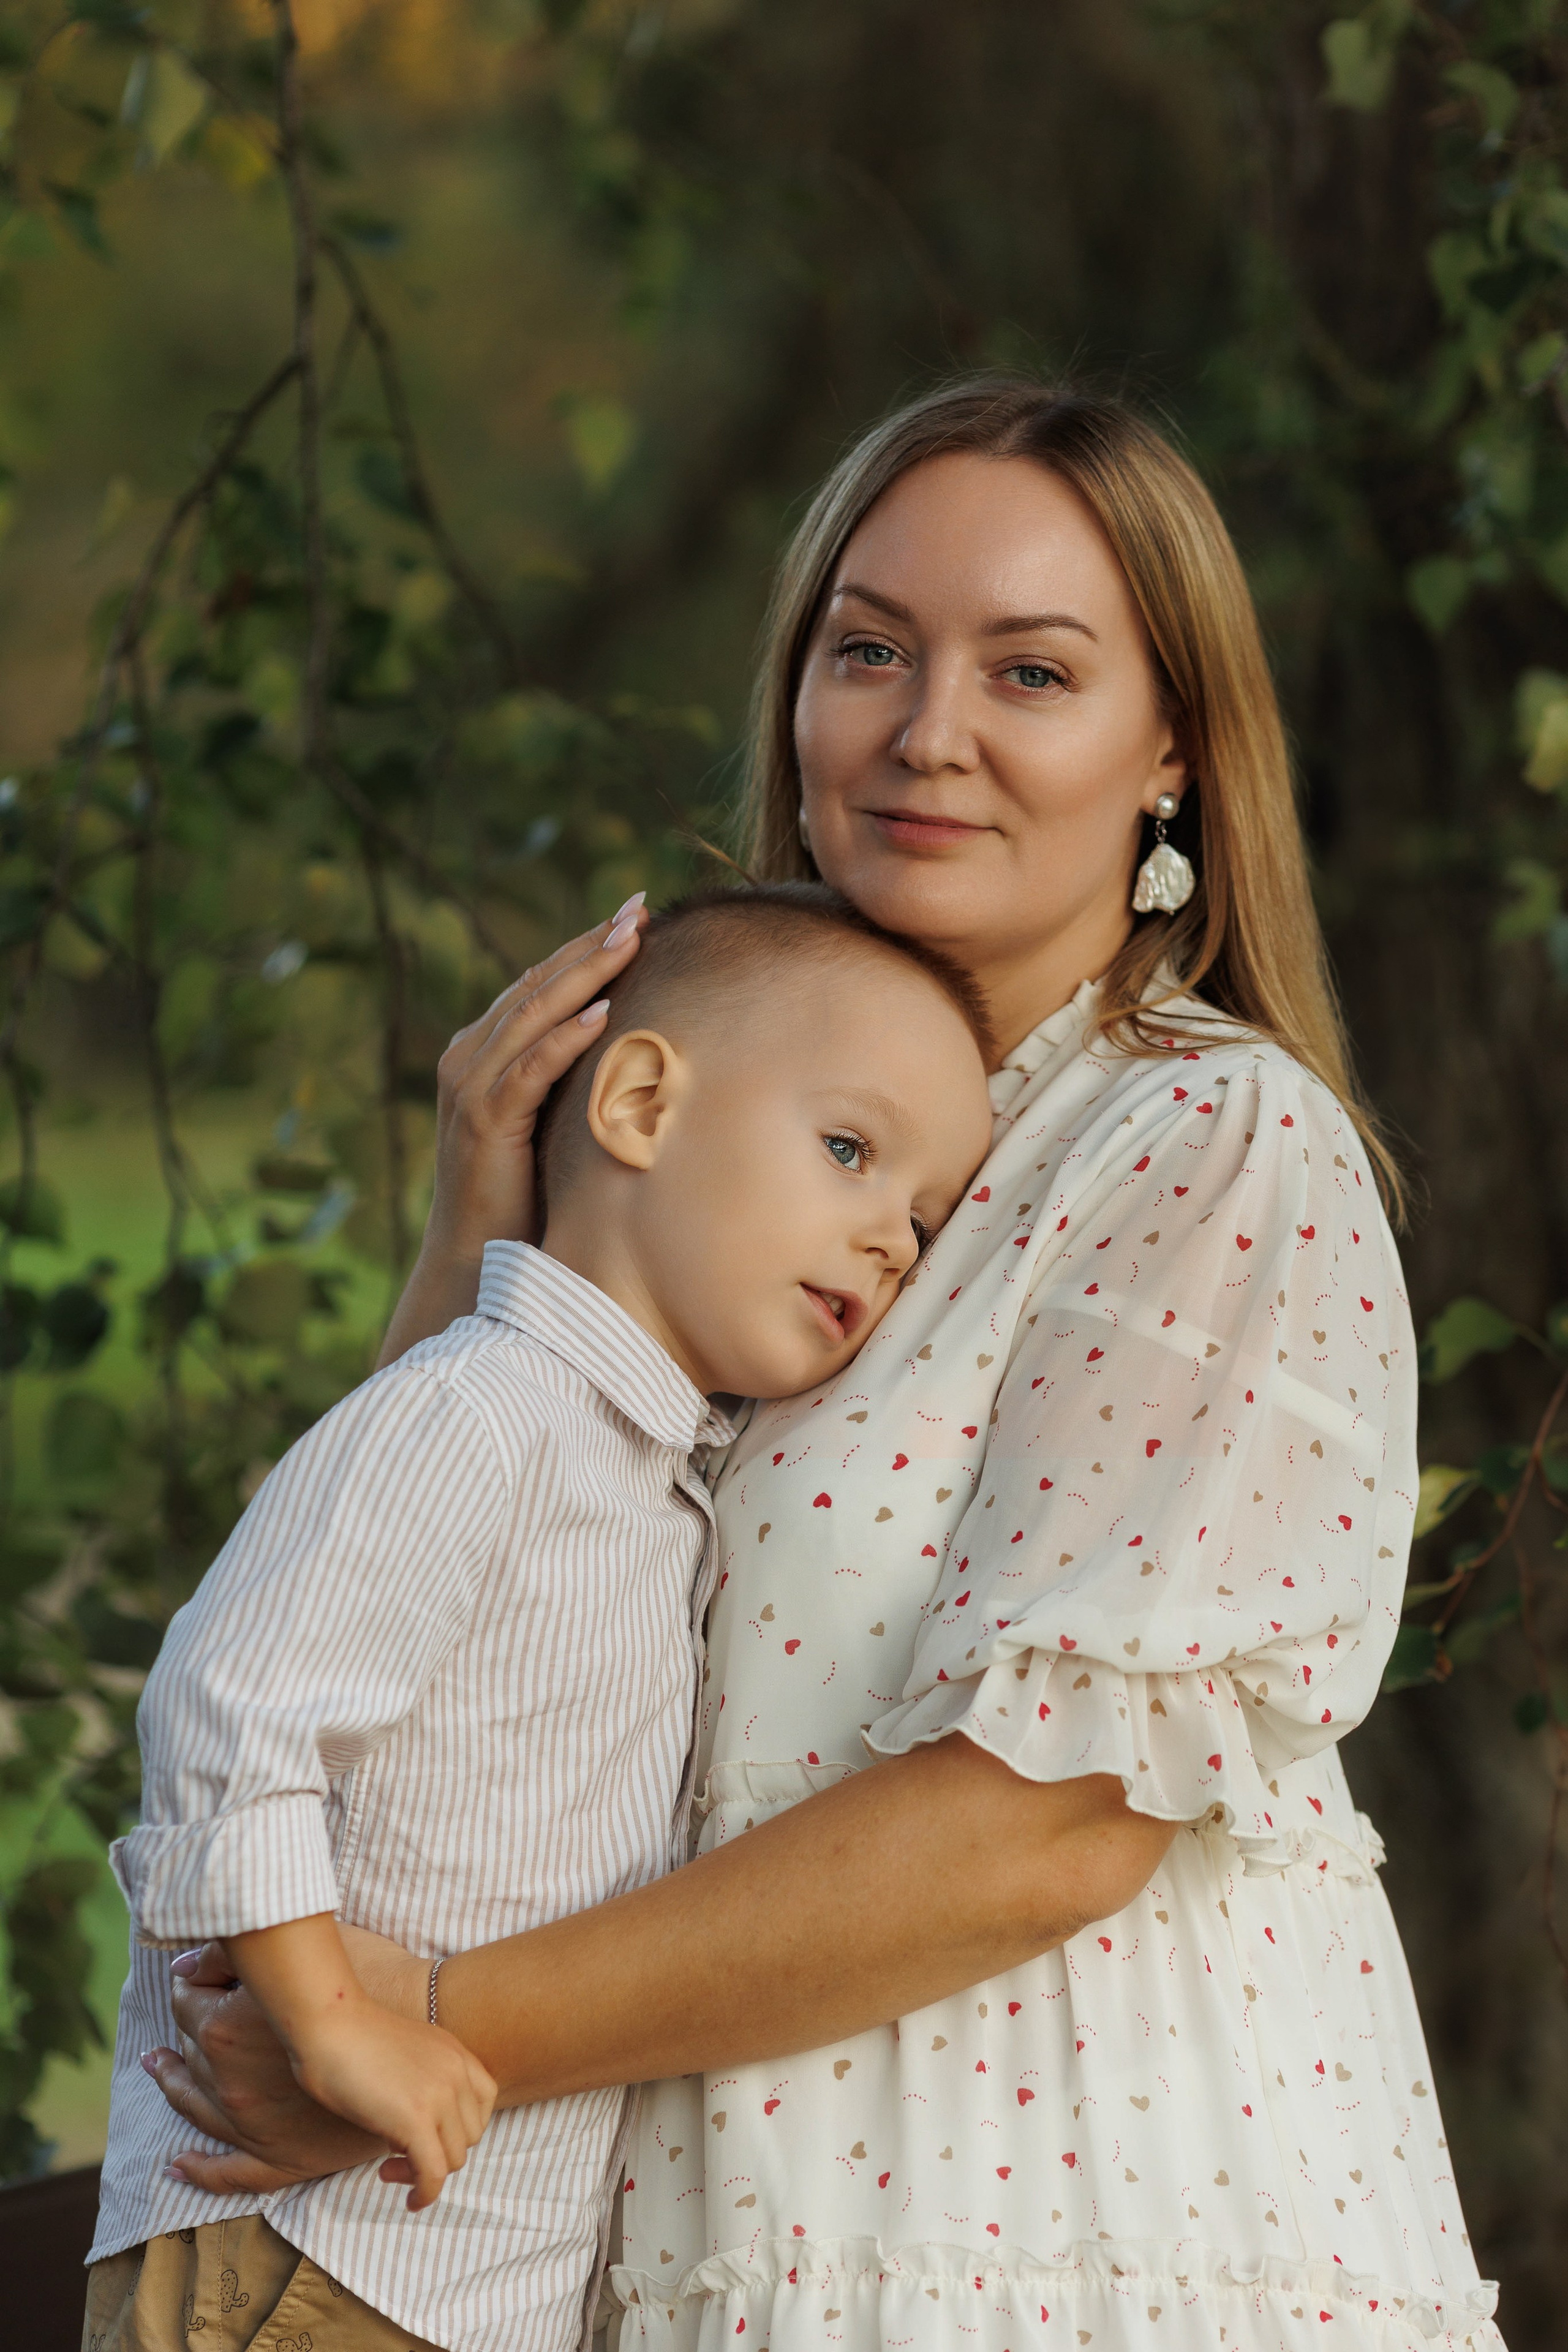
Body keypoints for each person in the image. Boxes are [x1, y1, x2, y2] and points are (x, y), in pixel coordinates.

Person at [146, 377, 1504, 2352]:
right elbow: (416, 1588)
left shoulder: (1207, 1147)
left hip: (1049, 2229)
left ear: (1173, 759)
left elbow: (1052, 1815)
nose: (924, 730)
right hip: (697, 2208)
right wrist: (478, 1225)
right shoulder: (735, 1118)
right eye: (869, 649)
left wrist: (417, 2029)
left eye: (1031, 672)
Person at [85, 886, 995, 2352]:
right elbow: (228, 1701)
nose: (889, 1238)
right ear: (638, 1102)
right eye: (847, 1150)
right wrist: (331, 2022)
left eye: (922, 1217)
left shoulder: (644, 1479)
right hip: (305, 2249)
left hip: (462, 2274)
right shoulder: (476, 1411)